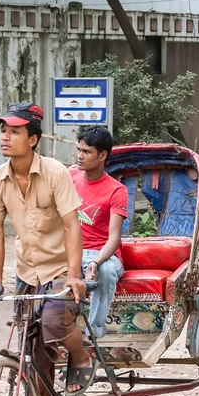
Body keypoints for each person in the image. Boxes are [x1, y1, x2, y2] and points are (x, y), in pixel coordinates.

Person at [0, 102, 97, 396]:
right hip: (27, 270)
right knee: (32, 353)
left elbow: (71, 225)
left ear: (32, 139)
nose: (5, 136)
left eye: (14, 131)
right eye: (3, 130)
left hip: (59, 266)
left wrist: (74, 275)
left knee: (54, 321)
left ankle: (81, 355)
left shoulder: (56, 173)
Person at [69, 126, 128, 338]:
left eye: (86, 152)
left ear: (102, 155)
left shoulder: (116, 190)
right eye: (79, 150)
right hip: (73, 251)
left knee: (105, 272)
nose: (80, 156)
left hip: (104, 254)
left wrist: (96, 262)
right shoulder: (71, 176)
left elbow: (114, 237)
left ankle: (94, 334)